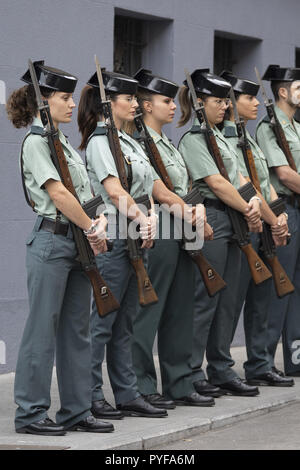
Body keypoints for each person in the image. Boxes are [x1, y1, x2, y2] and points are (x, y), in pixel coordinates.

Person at [6, 60, 113, 435]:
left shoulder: (62, 141)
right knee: (41, 329)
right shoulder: (36, 142)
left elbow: (85, 194)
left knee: (76, 329)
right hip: (52, 241)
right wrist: (92, 229)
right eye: (64, 98)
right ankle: (31, 412)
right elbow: (58, 193)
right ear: (43, 101)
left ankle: (77, 410)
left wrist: (99, 222)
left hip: (78, 240)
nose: (72, 104)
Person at [77, 69, 167, 419]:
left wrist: (152, 216)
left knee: (125, 323)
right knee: (102, 323)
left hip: (135, 240)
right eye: (128, 98)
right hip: (114, 240)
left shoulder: (129, 141)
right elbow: (114, 191)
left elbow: (145, 187)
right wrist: (143, 218)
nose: (134, 104)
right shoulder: (101, 142)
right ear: (108, 103)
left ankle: (127, 393)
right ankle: (90, 395)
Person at [130, 69, 215, 408]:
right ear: (147, 105)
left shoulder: (167, 142)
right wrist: (187, 210)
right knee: (149, 309)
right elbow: (158, 189)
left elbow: (184, 185)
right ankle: (141, 384)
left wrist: (199, 210)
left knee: (181, 307)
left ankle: (179, 382)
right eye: (166, 101)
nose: (172, 106)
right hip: (160, 228)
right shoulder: (139, 142)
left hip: (183, 227)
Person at [178, 68, 262, 396]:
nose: (225, 107)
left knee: (228, 301)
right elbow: (215, 183)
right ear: (199, 103)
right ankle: (191, 371)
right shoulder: (194, 139)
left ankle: (221, 368)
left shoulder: (219, 138)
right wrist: (247, 208)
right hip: (211, 218)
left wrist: (253, 207)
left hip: (233, 217)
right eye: (217, 101)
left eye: (225, 101)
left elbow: (240, 179)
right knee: (206, 298)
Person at [220, 70, 293, 387]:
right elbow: (247, 186)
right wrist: (271, 217)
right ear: (232, 103)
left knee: (265, 294)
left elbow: (266, 184)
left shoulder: (247, 136)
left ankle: (261, 363)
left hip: (265, 220)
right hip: (246, 221)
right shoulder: (225, 137)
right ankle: (220, 367)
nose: (255, 102)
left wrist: (278, 215)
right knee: (233, 301)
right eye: (248, 97)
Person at [256, 65, 300, 377]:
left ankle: (296, 358)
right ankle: (263, 362)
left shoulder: (295, 127)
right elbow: (283, 174)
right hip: (285, 209)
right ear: (282, 91)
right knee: (279, 287)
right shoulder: (269, 128)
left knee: (297, 288)